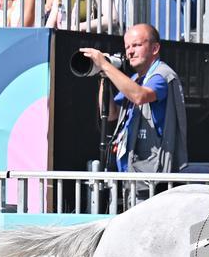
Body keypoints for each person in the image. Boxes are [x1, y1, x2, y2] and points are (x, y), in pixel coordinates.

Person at [78, 24, 188, 175]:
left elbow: (139, 96)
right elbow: (111, 114)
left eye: (136, 45)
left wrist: (104, 64)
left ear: (155, 48)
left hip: (152, 176)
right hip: (132, 172)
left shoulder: (162, 75)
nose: (130, 52)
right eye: (127, 47)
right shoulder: (135, 79)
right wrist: (103, 75)